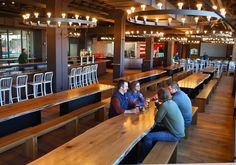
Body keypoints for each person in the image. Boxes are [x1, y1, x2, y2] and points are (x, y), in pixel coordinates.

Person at [138, 88, 185, 162]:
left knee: (148, 136)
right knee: (152, 129)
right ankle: (148, 146)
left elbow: (157, 120)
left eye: (158, 95)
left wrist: (155, 112)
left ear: (161, 96)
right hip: (176, 130)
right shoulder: (171, 102)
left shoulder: (165, 105)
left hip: (174, 134)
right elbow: (162, 109)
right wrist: (157, 103)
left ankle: (142, 159)